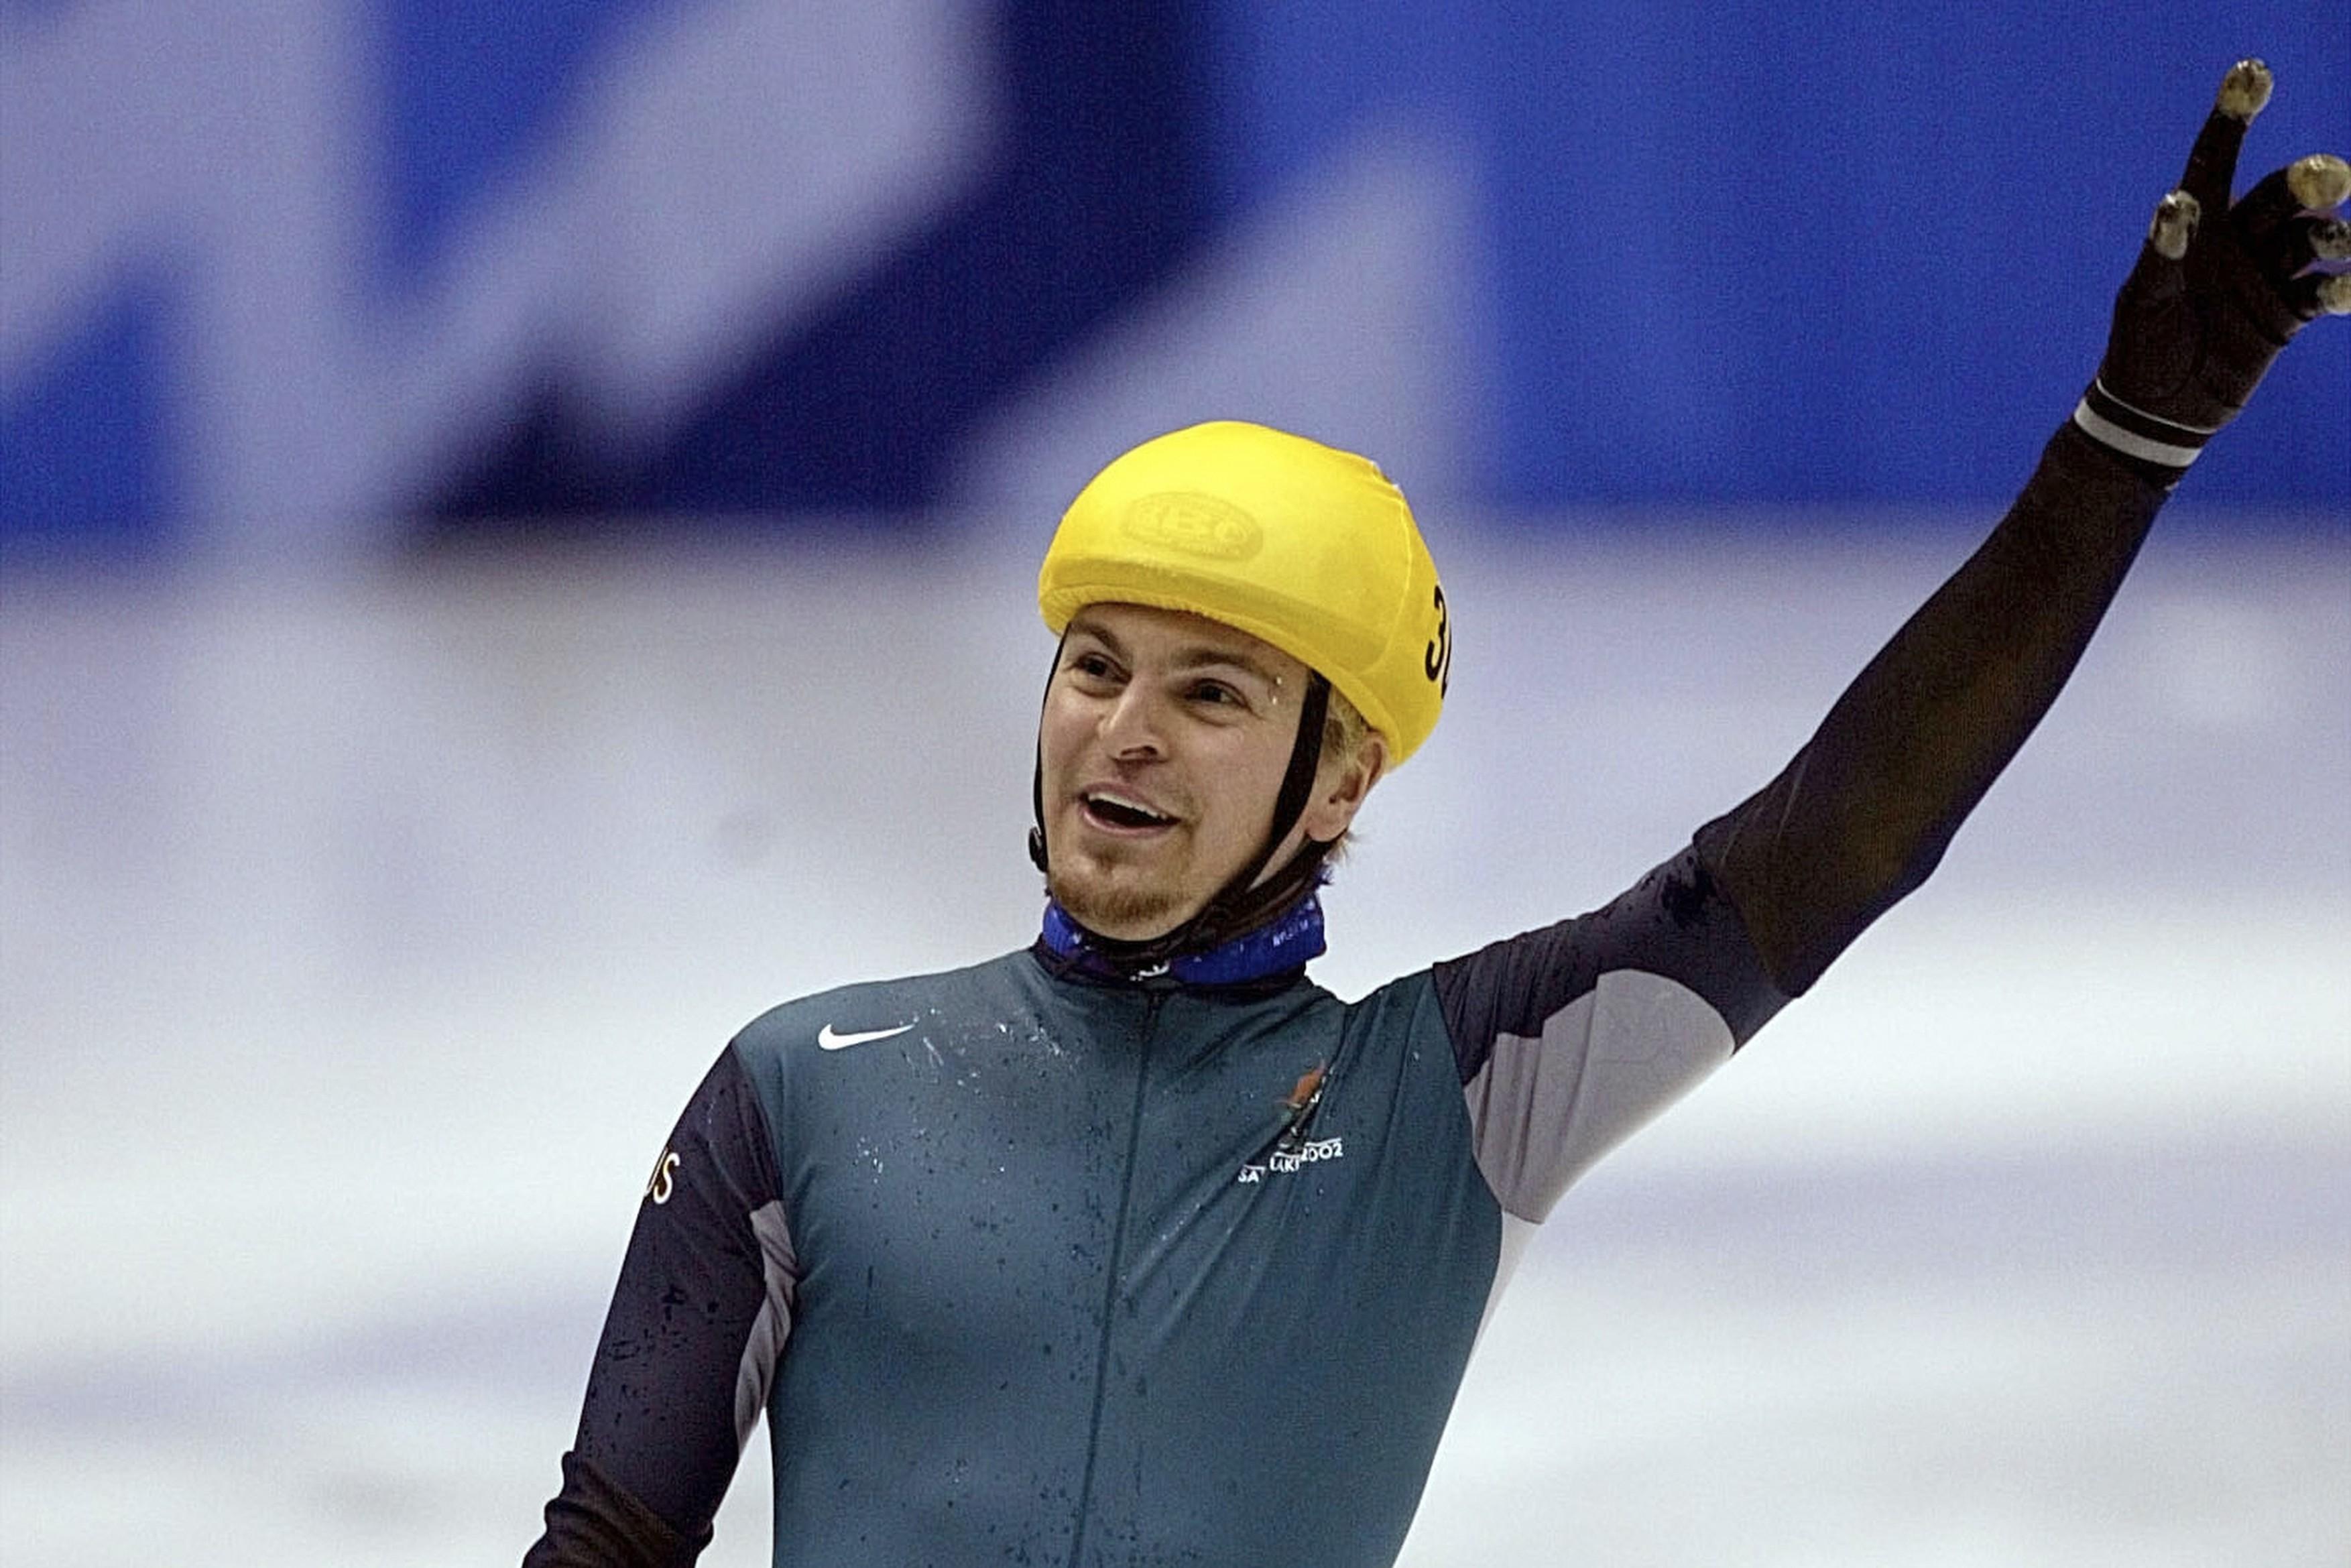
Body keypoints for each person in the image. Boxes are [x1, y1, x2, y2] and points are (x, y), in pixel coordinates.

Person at [524, 61, 2346, 1567]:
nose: (1124, 734)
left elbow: (1844, 833)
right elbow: (607, 1542)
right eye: (1095, 666)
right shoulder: (807, 1087)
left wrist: (2120, 448)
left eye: (1212, 693)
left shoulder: (1453, 1098)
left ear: (1342, 777)